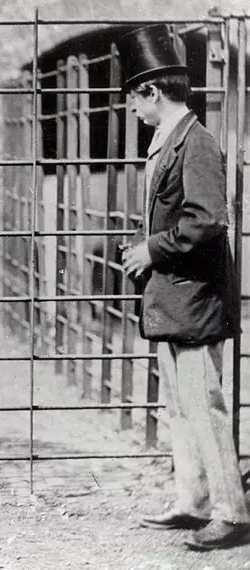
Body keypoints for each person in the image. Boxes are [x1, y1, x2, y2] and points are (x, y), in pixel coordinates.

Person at [117, 24, 250, 551]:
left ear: (151, 91)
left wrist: (153, 249)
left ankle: (231, 511)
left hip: (194, 295)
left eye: (132, 98)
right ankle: (192, 501)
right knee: (179, 405)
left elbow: (206, 221)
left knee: (204, 403)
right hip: (176, 296)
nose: (131, 109)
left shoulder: (196, 143)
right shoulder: (169, 140)